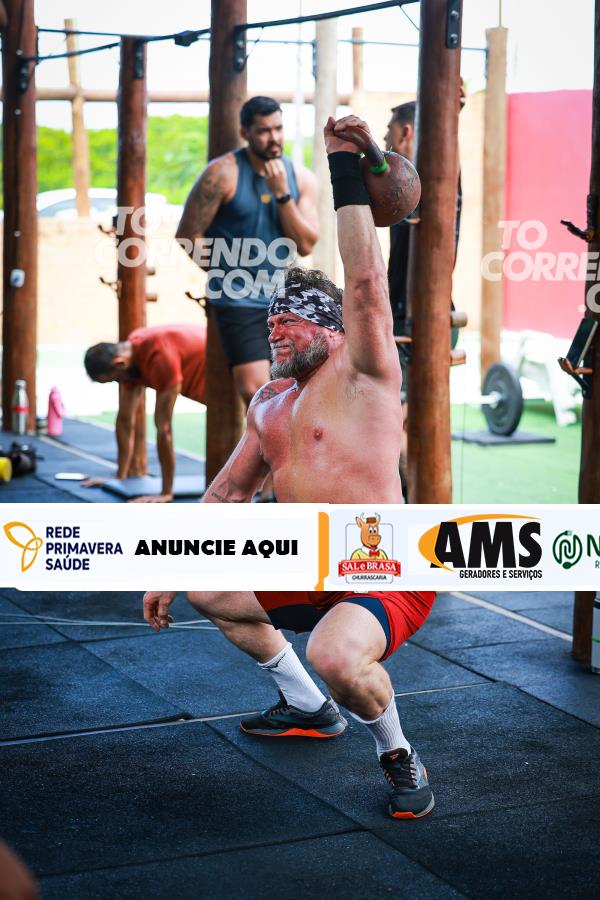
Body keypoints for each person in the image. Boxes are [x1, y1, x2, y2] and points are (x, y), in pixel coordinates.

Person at [144, 115, 437, 820]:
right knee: (210, 590)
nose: (274, 329)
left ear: (333, 330)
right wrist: (170, 564)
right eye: (271, 320)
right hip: (306, 564)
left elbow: (364, 280)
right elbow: (226, 495)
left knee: (339, 657)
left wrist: (344, 167)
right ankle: (307, 706)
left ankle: (398, 752)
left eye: (290, 320)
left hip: (383, 567)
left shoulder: (364, 374)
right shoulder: (271, 402)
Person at [176, 95, 319, 407]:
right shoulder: (222, 174)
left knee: (296, 388)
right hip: (239, 300)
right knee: (256, 391)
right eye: (264, 131)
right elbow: (187, 235)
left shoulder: (301, 178)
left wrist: (282, 195)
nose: (274, 137)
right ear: (245, 133)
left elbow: (307, 244)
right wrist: (228, 273)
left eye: (278, 128)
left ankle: (285, 441)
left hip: (284, 299)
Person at [384, 83, 465, 492]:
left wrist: (451, 118)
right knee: (398, 421)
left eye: (388, 133)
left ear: (406, 133)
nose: (385, 142)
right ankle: (409, 500)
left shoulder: (435, 183)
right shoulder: (407, 185)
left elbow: (452, 173)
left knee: (394, 424)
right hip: (406, 317)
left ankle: (409, 502)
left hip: (416, 319)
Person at [83, 323, 206, 503]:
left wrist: (165, 493)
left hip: (219, 373)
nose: (120, 383)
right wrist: (120, 478)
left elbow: (164, 428)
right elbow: (124, 420)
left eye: (116, 380)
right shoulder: (130, 355)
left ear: (119, 364)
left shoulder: (159, 358)